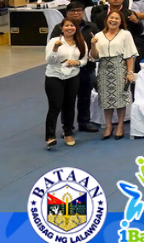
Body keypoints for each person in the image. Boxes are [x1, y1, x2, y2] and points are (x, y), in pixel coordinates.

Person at [90, 9, 137, 140]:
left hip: (120, 67)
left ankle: (120, 126)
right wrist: (93, 45)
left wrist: (130, 72)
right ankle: (109, 126)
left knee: (121, 98)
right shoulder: (98, 35)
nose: (113, 20)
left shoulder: (125, 34)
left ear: (121, 21)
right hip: (104, 69)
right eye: (111, 18)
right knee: (106, 99)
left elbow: (129, 55)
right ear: (107, 20)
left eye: (117, 18)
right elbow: (94, 56)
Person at [45, 19, 88, 148]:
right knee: (55, 106)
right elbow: (49, 61)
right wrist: (55, 49)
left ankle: (68, 133)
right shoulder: (54, 41)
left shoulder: (81, 42)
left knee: (70, 105)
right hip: (54, 76)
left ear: (76, 28)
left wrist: (77, 63)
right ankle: (50, 136)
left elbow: (85, 60)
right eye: (67, 26)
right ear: (62, 28)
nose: (69, 28)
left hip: (72, 76)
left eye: (72, 25)